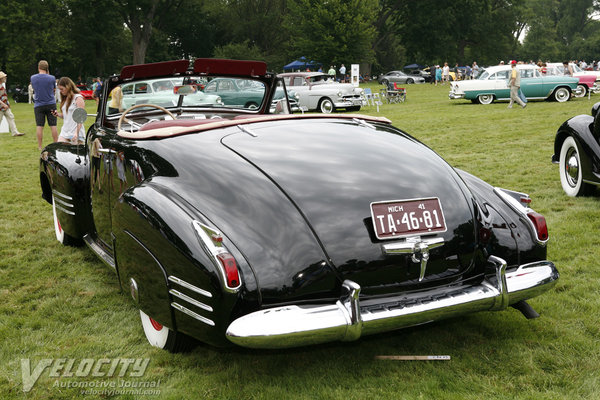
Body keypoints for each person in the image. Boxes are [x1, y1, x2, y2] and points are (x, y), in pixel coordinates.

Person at [31, 60, 58, 150]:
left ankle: (39, 146)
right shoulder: (52, 78)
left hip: (38, 104)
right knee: (53, 125)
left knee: (39, 126)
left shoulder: (33, 78)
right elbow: (54, 89)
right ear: (47, 68)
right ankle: (55, 144)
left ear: (38, 67)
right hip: (51, 103)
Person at [53, 77, 86, 144]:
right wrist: (58, 114)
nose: (61, 92)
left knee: (74, 154)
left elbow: (81, 118)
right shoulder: (65, 99)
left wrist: (76, 133)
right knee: (60, 150)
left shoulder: (78, 98)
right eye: (59, 90)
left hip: (76, 132)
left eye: (62, 89)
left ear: (68, 87)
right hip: (65, 132)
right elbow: (66, 115)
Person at [0, 71, 25, 137]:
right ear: (1, 78)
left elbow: (4, 96)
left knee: (11, 117)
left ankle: (15, 132)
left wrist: (7, 105)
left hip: (5, 106)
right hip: (1, 107)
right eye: (4, 77)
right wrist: (3, 105)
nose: (5, 78)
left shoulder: (2, 85)